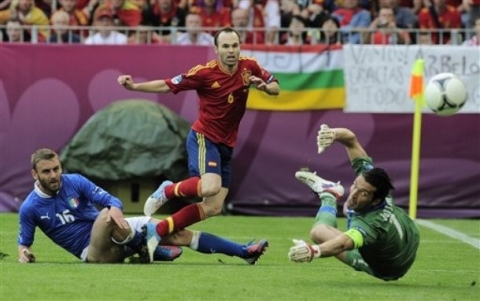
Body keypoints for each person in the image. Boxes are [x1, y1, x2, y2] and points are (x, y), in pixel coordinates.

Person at [117, 26, 279, 264]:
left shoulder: (250, 66)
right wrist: (135, 87)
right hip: (204, 137)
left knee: (213, 207)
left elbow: (275, 85)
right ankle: (168, 190)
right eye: (225, 46)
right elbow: (167, 84)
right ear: (216, 50)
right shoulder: (204, 73)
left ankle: (159, 230)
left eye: (234, 45)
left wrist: (266, 88)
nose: (231, 50)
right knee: (210, 186)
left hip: (227, 144)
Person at [288, 124, 420, 281]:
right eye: (355, 185)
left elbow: (343, 244)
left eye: (363, 193)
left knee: (318, 232)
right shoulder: (377, 185)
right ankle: (330, 192)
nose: (354, 194)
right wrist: (333, 134)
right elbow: (350, 139)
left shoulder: (370, 224)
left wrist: (314, 251)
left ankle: (328, 196)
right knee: (350, 208)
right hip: (409, 238)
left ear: (376, 200)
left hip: (390, 268)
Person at [18, 148, 183, 264]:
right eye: (46, 172)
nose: (54, 175)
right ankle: (145, 247)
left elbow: (112, 200)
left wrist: (116, 208)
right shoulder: (29, 207)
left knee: (175, 232)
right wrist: (25, 254)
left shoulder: (75, 181)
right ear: (35, 174)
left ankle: (154, 244)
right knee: (106, 215)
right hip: (92, 252)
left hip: (110, 231)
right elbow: (24, 243)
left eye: (56, 169)